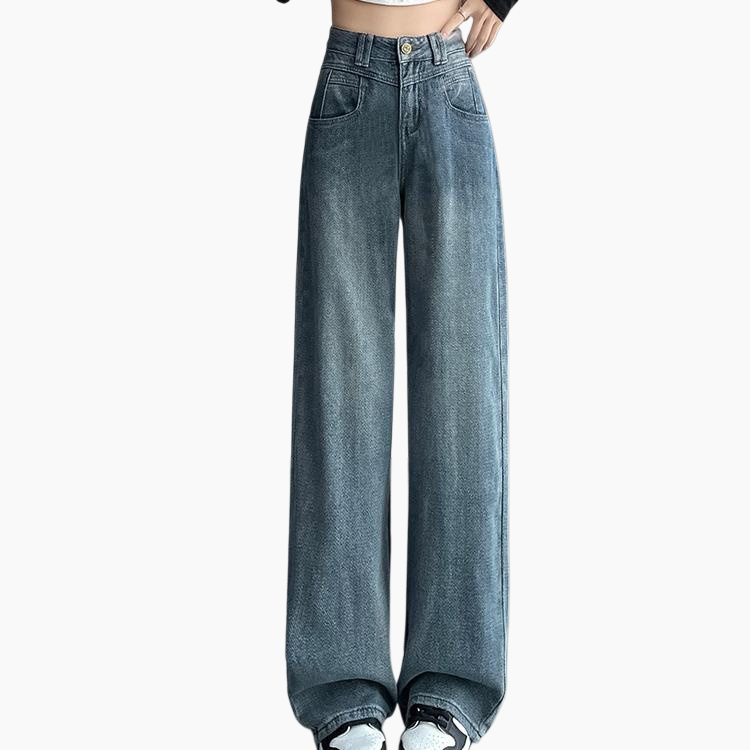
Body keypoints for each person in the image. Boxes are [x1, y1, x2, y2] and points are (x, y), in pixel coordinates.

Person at [279, 1, 517, 748]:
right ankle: (343, 690)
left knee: (463, 395)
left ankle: (451, 687)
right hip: (349, 82)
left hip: (449, 81)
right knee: (339, 392)